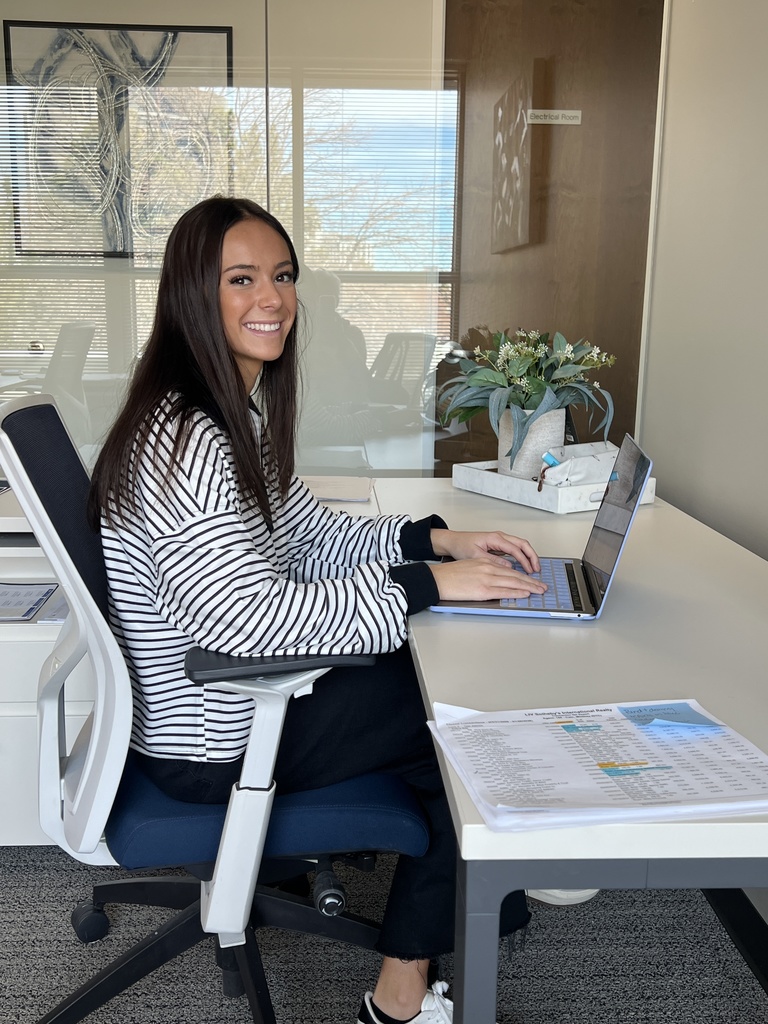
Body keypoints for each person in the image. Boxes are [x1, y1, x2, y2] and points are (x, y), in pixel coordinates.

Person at [88, 196, 549, 1024]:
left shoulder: (230, 410)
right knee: (471, 725)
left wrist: (430, 541)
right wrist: (423, 589)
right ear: (194, 293)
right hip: (223, 730)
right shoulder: (190, 436)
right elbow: (240, 619)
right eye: (241, 279)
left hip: (235, 702)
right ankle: (404, 989)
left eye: (283, 276)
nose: (272, 299)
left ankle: (484, 885)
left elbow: (304, 533)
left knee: (440, 697)